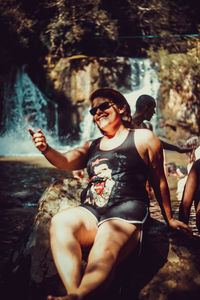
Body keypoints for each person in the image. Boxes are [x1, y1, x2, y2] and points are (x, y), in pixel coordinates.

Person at [28, 88, 190, 300]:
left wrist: (169, 219)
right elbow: (65, 161)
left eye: (104, 106)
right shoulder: (92, 145)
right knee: (60, 221)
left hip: (126, 211)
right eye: (93, 111)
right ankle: (75, 293)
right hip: (91, 210)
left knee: (106, 242)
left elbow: (159, 180)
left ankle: (77, 297)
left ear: (121, 107)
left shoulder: (143, 138)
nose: (98, 113)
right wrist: (46, 149)